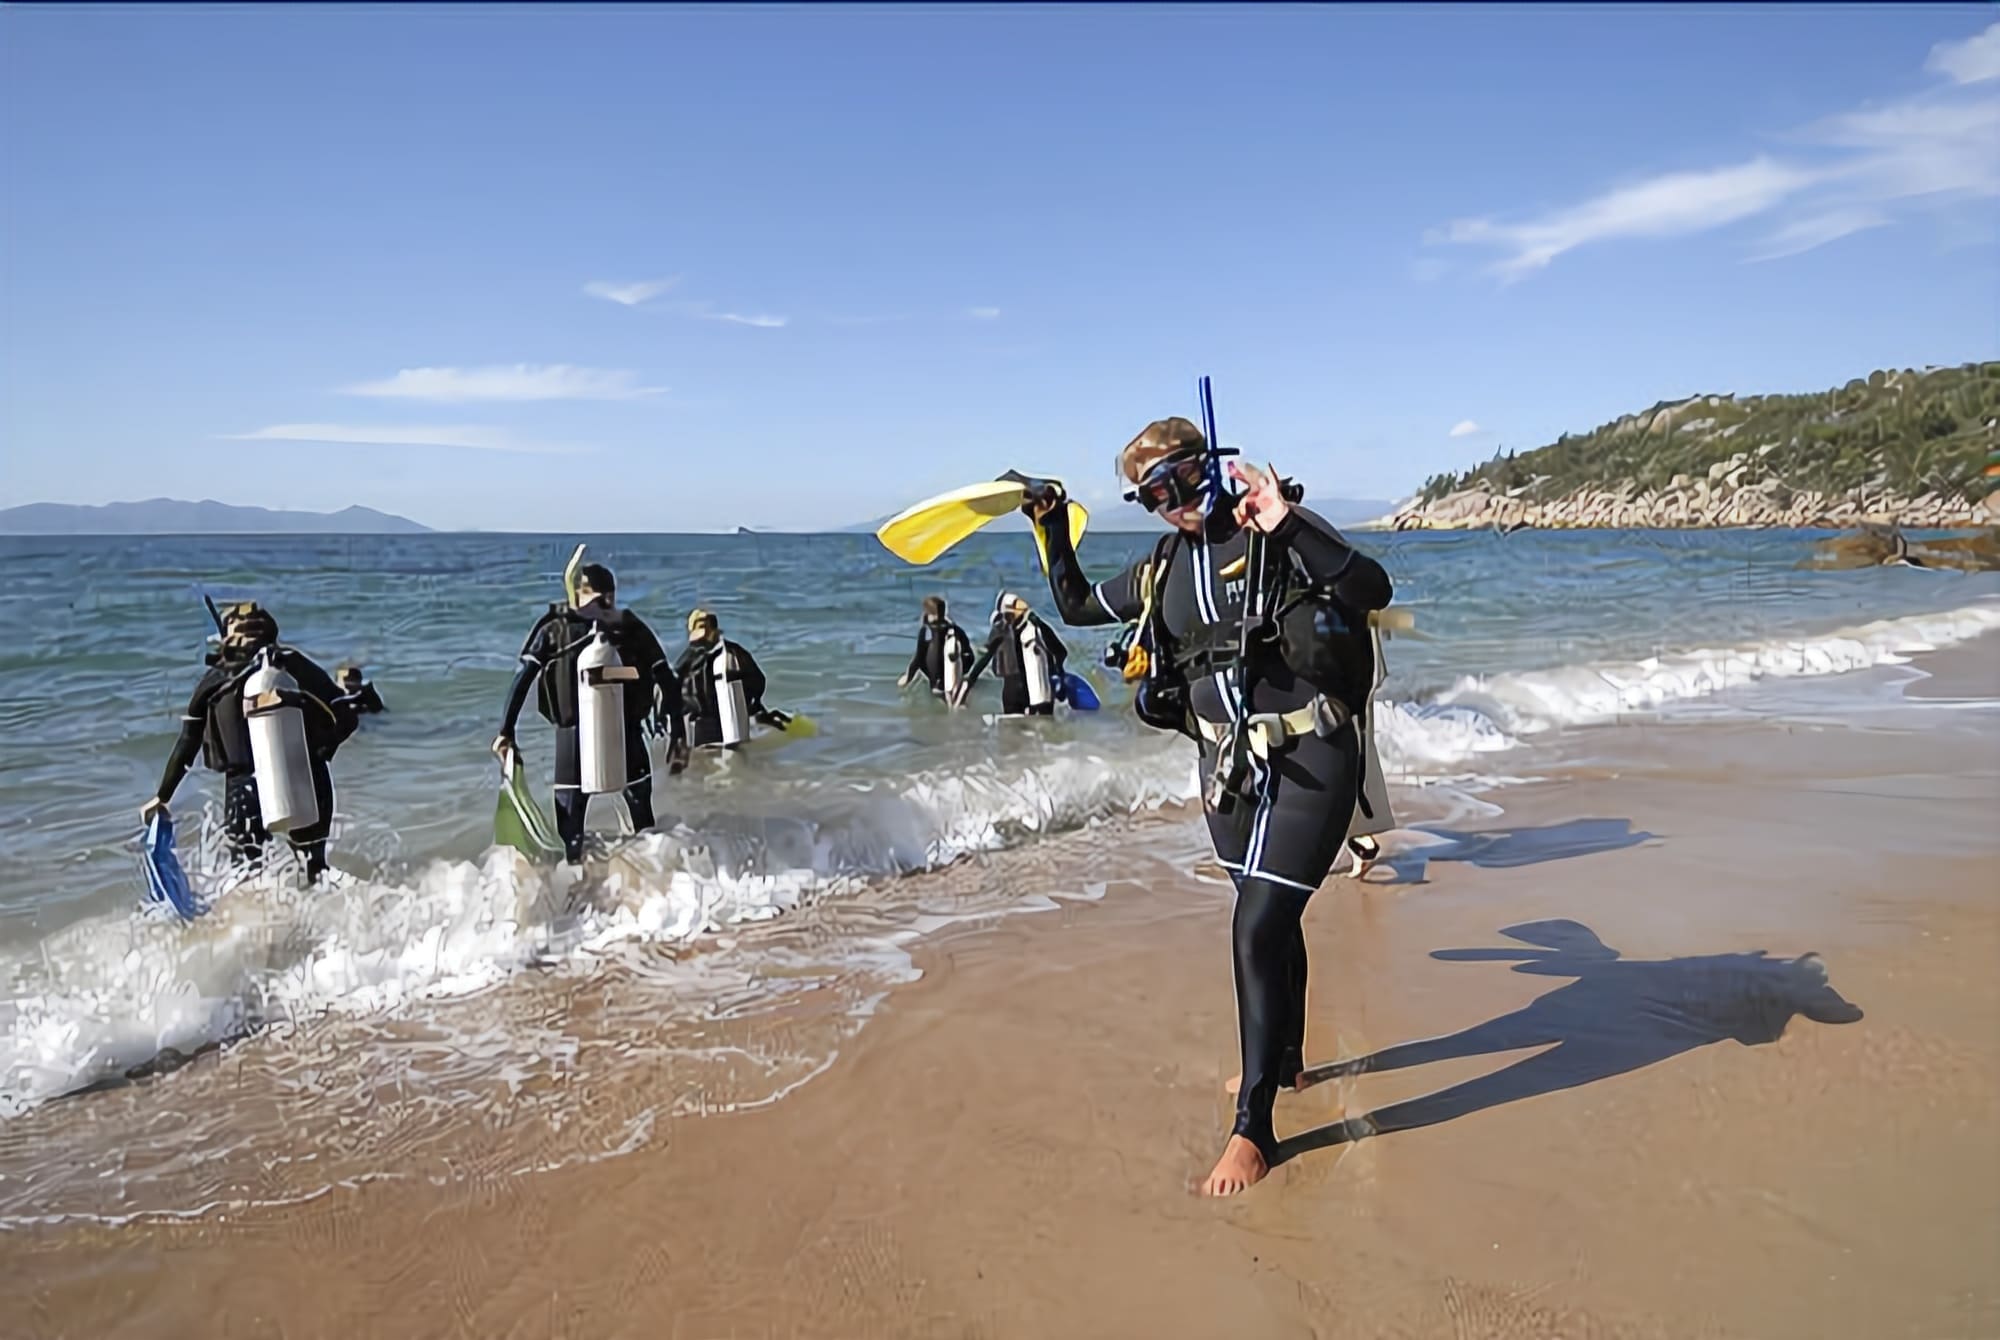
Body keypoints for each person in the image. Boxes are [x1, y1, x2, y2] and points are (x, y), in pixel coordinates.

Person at [1028, 414, 1392, 1196]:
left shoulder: (1273, 532)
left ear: (1212, 466)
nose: (1171, 503)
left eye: (1180, 482)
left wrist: (1288, 525)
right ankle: (1285, 1058)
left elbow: (1372, 588)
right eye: (1150, 495)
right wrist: (1052, 523)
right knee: (1270, 916)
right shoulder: (1163, 566)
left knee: (1256, 922)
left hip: (1312, 754)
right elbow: (1077, 604)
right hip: (1225, 770)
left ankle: (1253, 1128)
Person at [143, 602, 356, 881]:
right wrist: (322, 750)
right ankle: (332, 915)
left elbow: (188, 742)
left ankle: (254, 922)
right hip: (305, 774)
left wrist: (163, 796)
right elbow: (347, 717)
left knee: (247, 874)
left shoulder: (214, 679)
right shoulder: (291, 663)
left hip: (243, 788)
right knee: (314, 869)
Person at [492, 562, 686, 865]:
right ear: (611, 594)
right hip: (627, 737)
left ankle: (574, 894)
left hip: (572, 743)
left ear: (578, 593)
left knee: (572, 835)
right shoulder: (631, 627)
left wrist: (506, 731)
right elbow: (667, 681)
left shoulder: (554, 629)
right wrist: (678, 733)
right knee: (643, 825)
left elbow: (522, 679)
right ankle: (656, 890)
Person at [676, 608, 778, 749]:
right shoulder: (733, 653)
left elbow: (674, 695)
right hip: (719, 724)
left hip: (706, 726)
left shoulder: (685, 661)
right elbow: (758, 681)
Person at [955, 592, 1068, 716]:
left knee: (1028, 723)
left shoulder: (1034, 628)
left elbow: (1060, 651)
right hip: (1016, 688)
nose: (1008, 620)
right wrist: (970, 680)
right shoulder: (1002, 631)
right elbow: (986, 657)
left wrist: (1058, 672)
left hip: (1034, 688)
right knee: (1016, 725)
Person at [897, 595, 974, 701]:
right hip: (950, 680)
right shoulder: (955, 630)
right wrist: (962, 671)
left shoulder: (926, 631)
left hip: (936, 681)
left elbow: (919, 657)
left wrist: (908, 677)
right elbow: (970, 656)